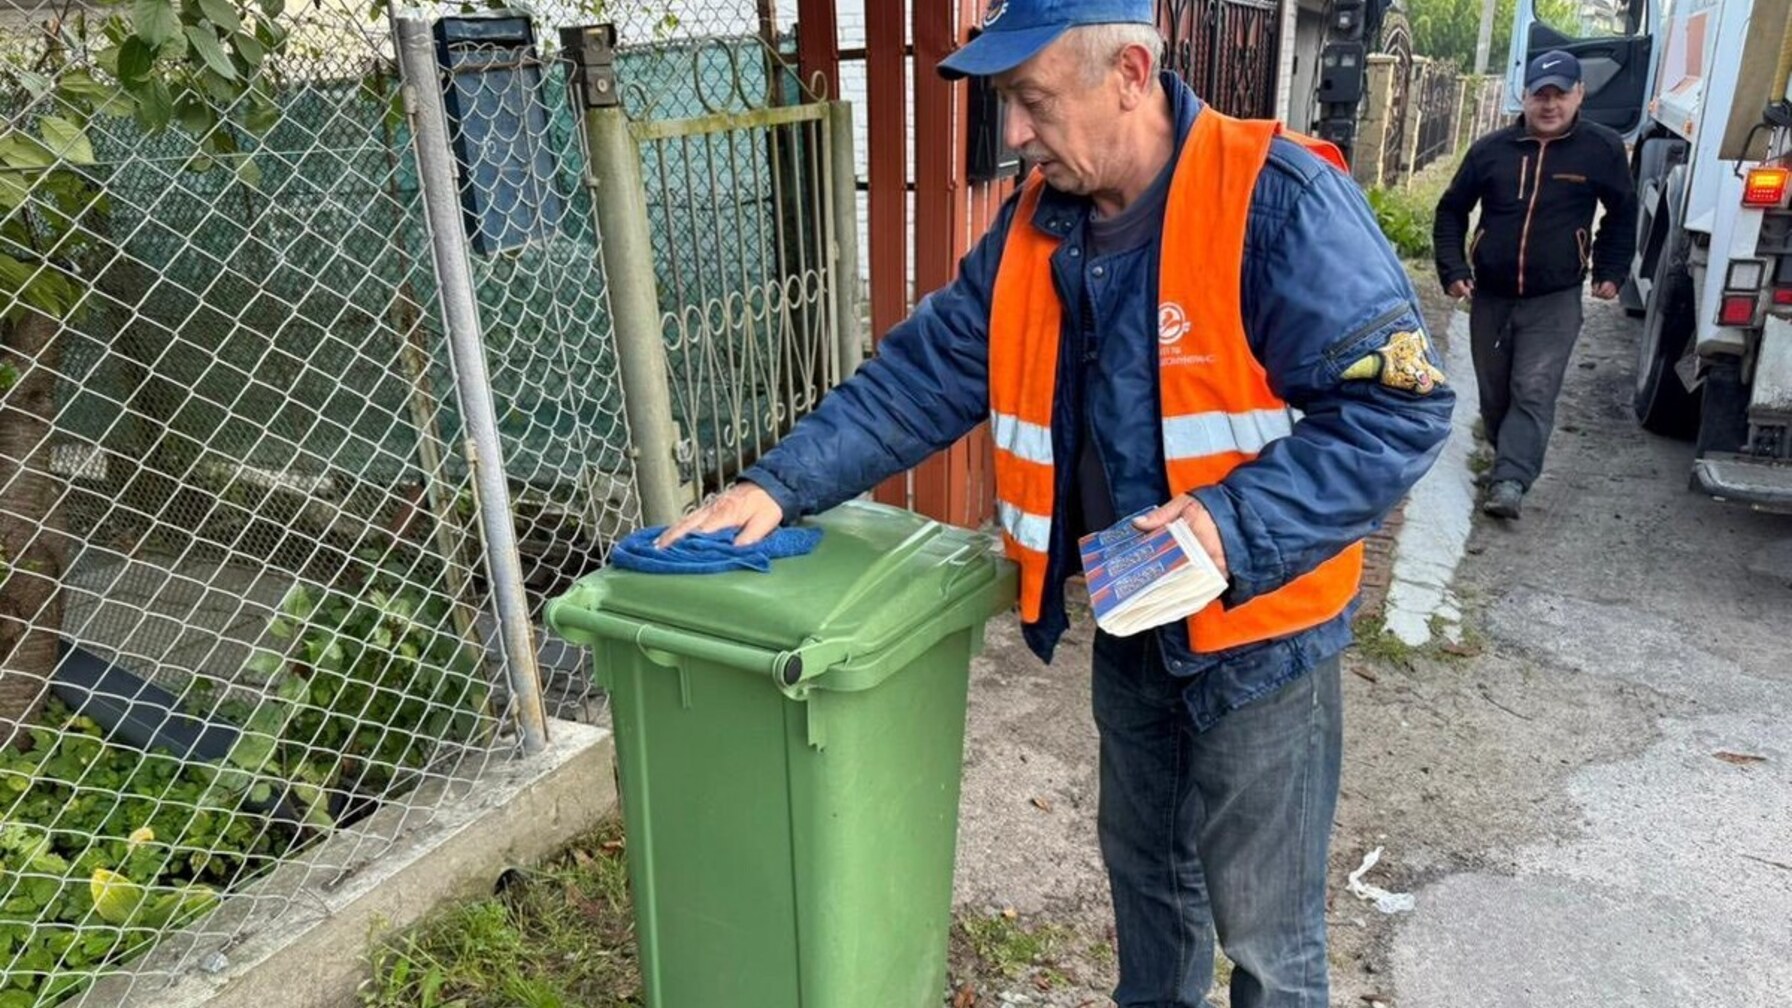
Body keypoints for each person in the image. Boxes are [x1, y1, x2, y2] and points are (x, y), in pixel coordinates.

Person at [657, 2, 1452, 1005]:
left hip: (1262, 639)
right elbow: (923, 377)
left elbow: (1397, 411)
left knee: (1267, 938)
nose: (1016, 133)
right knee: (1148, 886)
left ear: (1129, 74)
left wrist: (1229, 525)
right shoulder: (1041, 226)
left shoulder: (1274, 200)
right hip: (1134, 616)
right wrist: (776, 485)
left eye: (1031, 100)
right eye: (1007, 104)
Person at [1433, 50, 1637, 520]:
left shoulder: (1601, 149)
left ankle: (1511, 479)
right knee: (1495, 391)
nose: (1549, 105)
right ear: (1523, 97)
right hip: (1492, 293)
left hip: (1555, 297)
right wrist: (1453, 268)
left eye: (1559, 95)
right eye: (1540, 95)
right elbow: (1451, 210)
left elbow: (1623, 213)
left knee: (1534, 387)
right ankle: (1504, 452)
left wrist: (1611, 270)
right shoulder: (1490, 151)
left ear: (1579, 94)